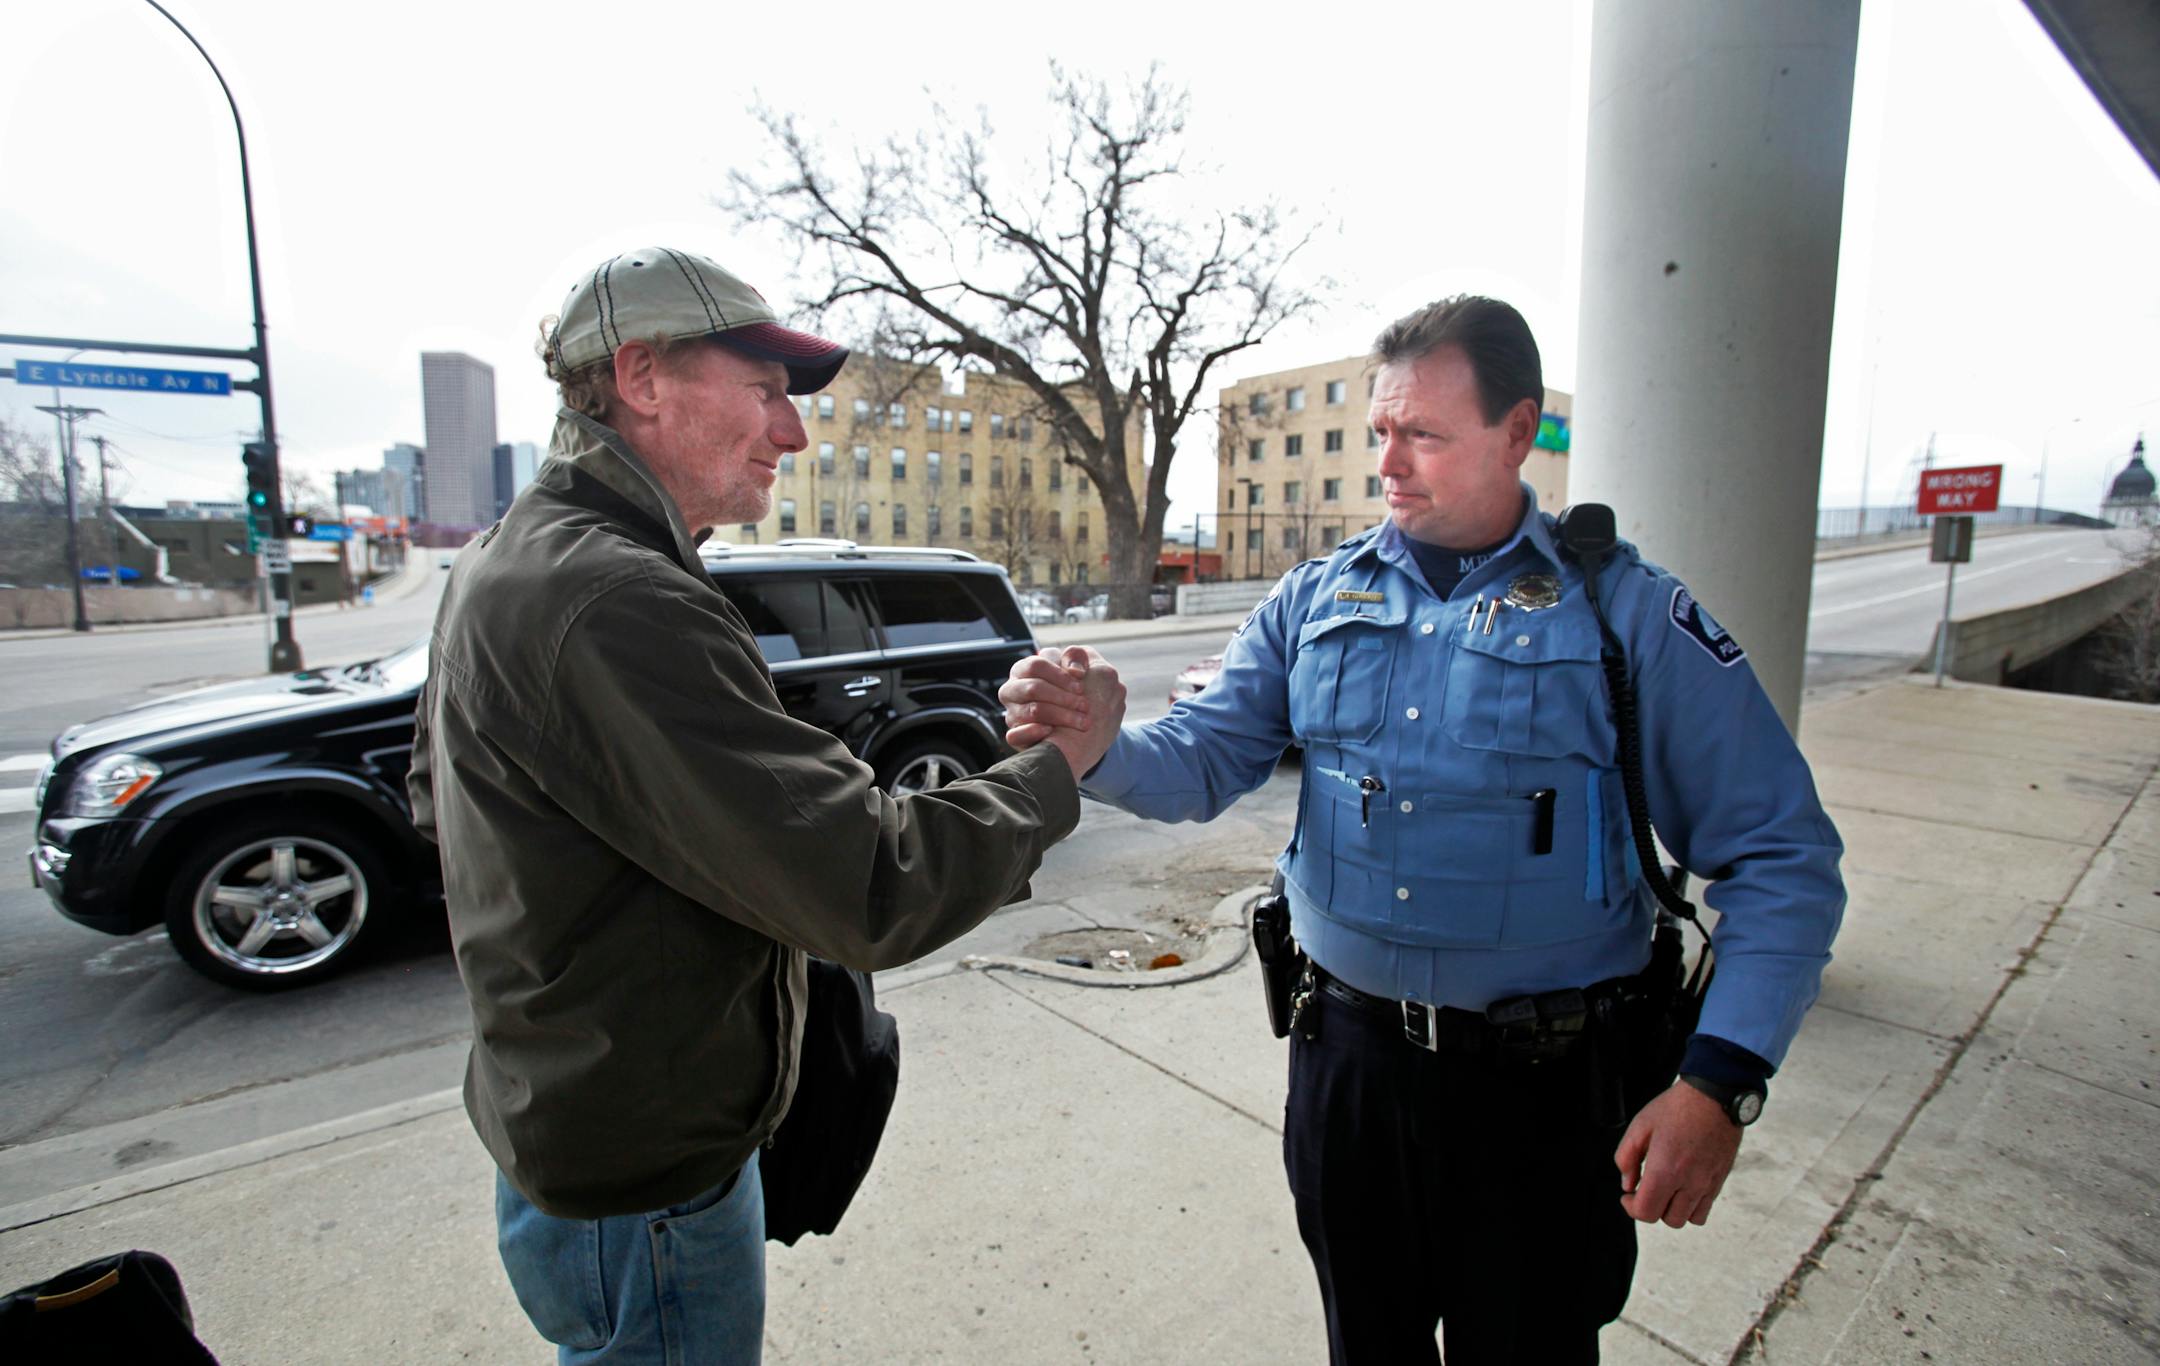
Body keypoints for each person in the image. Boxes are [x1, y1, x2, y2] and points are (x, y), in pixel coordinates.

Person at [1001, 296, 1845, 1364]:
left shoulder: (1624, 616)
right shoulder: (1315, 599)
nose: (1390, 464)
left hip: (1543, 1097)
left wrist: (1719, 1083)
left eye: (1426, 435)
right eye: (1382, 432)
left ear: (1518, 430)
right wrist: (1101, 745)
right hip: (1348, 1070)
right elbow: (1206, 759)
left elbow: (1784, 858)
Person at [407, 246, 1126, 1365]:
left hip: (573, 1125)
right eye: (764, 393)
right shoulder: (613, 591)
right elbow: (869, 881)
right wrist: (1056, 766)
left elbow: (434, 800)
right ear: (641, 377)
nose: (792, 434)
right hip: (645, 1177)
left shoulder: (515, 554)